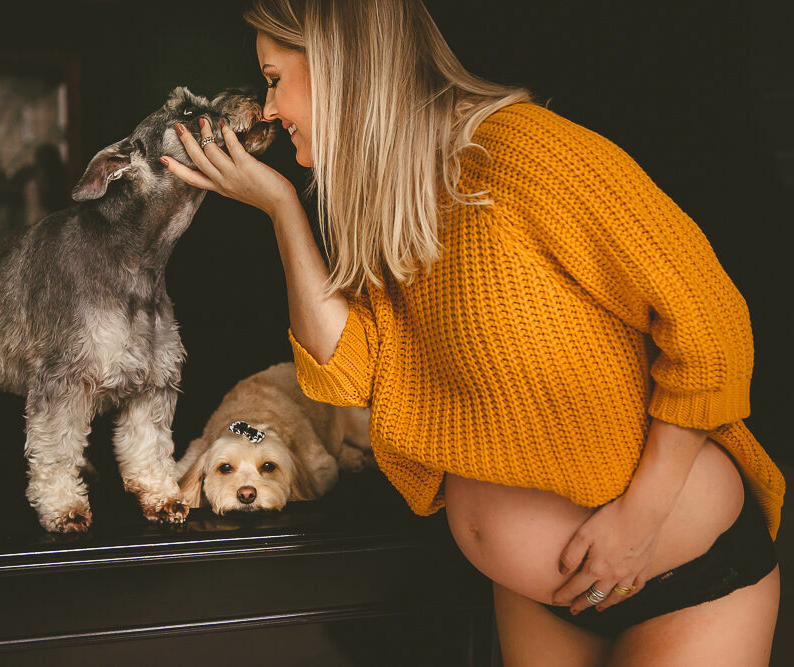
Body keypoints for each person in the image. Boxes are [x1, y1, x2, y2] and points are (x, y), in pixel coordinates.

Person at [160, 1, 785, 663]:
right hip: (542, 595)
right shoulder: (395, 205)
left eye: (274, 79)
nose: (267, 108)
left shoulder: (521, 151)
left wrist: (639, 521)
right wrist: (282, 207)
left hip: (678, 571)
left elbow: (711, 319)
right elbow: (348, 370)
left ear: (341, 68)